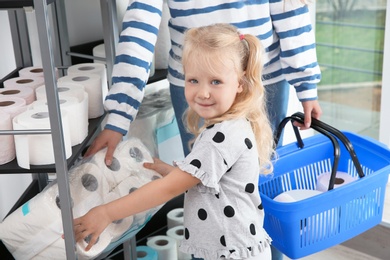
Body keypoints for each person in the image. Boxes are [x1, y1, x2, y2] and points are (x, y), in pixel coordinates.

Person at [84, 1, 322, 259]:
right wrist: (175, 171)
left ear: (240, 84)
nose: (203, 92)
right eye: (193, 80)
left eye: (215, 82)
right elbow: (213, 179)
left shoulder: (220, 137)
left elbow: (169, 189)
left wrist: (106, 212)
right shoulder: (232, 126)